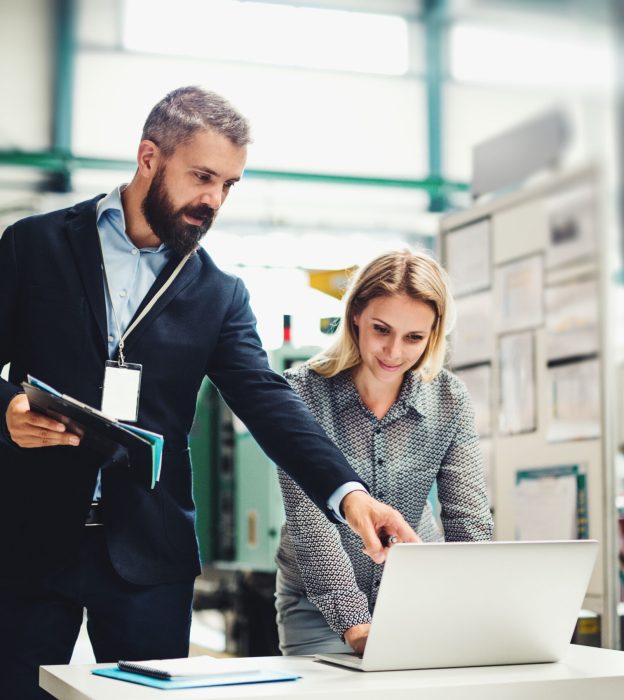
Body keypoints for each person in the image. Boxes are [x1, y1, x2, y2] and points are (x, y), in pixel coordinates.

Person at [0, 86, 417, 699]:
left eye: (228, 184)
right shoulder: (33, 246)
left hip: (148, 550)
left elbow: (270, 404)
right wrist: (5, 409)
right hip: (29, 538)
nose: (214, 200)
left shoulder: (218, 293)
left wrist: (350, 495)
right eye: (202, 177)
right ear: (149, 157)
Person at [274, 250, 494, 656]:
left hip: (415, 598)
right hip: (319, 606)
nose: (394, 352)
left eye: (414, 338)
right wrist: (357, 629)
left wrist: (475, 610)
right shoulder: (301, 392)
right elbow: (311, 526)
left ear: (434, 334)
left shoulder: (449, 400)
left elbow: (469, 518)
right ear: (356, 314)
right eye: (382, 330)